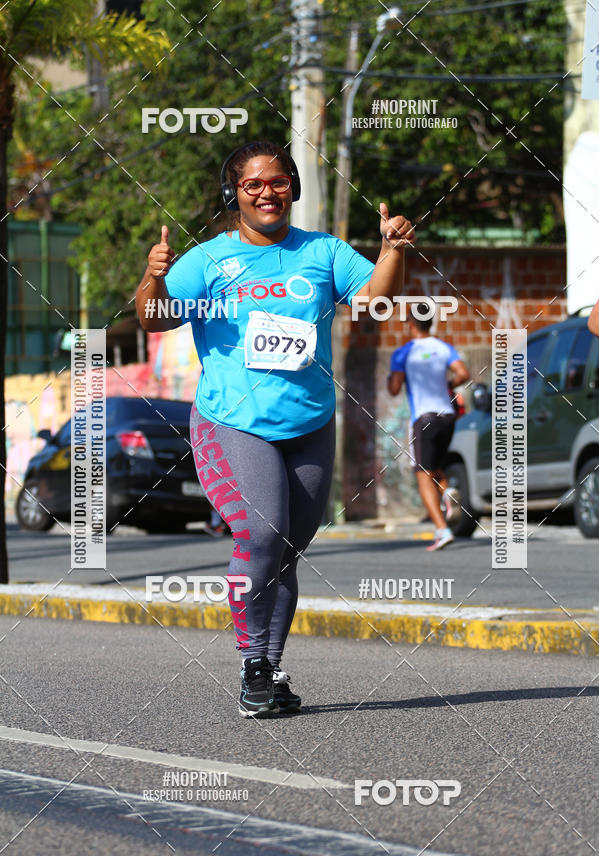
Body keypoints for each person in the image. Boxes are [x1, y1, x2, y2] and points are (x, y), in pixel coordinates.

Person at [135, 139, 414, 718]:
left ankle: (270, 667)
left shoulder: (324, 252)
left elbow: (375, 302)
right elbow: (153, 319)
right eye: (253, 184)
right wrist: (154, 278)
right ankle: (251, 665)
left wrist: (392, 250)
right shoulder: (209, 259)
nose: (268, 191)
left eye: (279, 181)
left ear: (293, 187)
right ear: (233, 193)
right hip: (232, 422)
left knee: (286, 550)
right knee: (260, 537)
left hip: (310, 423)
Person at [387, 304, 469, 551]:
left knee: (422, 474)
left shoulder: (403, 352)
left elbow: (394, 389)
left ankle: (442, 530)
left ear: (411, 322)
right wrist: (449, 385)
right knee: (435, 467)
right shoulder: (443, 347)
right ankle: (448, 491)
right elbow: (463, 373)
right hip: (448, 416)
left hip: (424, 418)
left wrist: (390, 378)